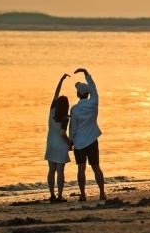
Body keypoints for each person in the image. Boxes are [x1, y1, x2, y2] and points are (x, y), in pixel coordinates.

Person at [69, 68, 105, 202]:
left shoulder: (75, 109)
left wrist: (70, 141)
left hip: (79, 143)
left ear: (78, 94)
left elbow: (72, 128)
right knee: (96, 167)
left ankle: (83, 194)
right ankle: (102, 193)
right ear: (88, 94)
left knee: (81, 168)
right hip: (92, 140)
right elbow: (93, 88)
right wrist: (86, 73)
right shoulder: (93, 102)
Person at [46, 74, 74, 203]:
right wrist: (70, 143)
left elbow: (55, 94)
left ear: (57, 104)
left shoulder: (52, 111)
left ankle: (52, 195)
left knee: (51, 170)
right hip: (60, 145)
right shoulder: (65, 118)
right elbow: (63, 134)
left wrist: (61, 80)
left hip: (51, 144)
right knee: (60, 171)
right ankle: (60, 195)